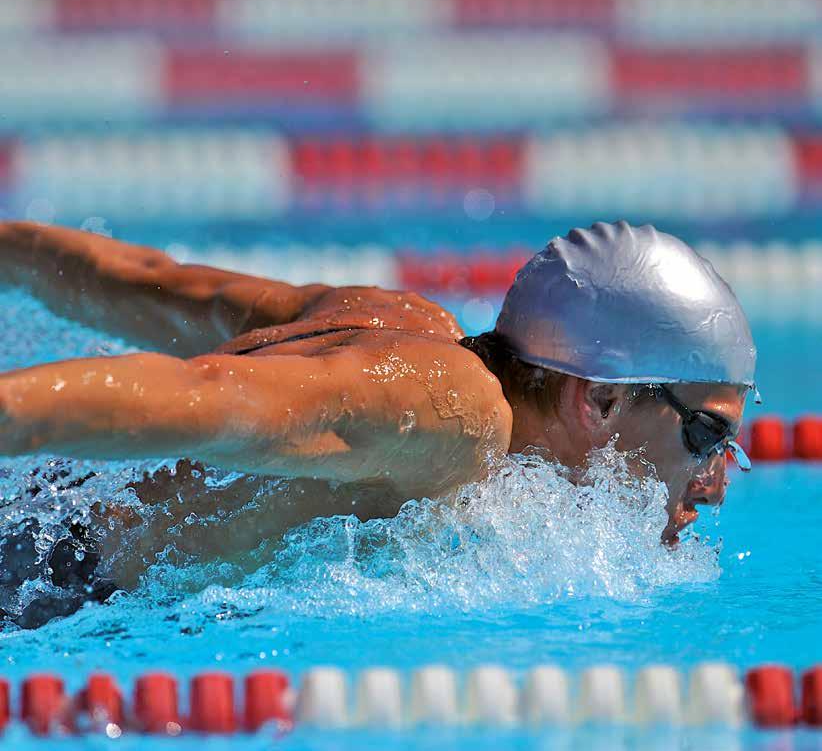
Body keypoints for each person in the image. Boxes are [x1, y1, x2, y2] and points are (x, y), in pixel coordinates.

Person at [0, 219, 755, 625]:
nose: (718, 483)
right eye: (706, 435)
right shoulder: (453, 420)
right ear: (600, 402)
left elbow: (134, 282)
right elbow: (208, 397)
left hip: (39, 523)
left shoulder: (405, 322)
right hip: (38, 580)